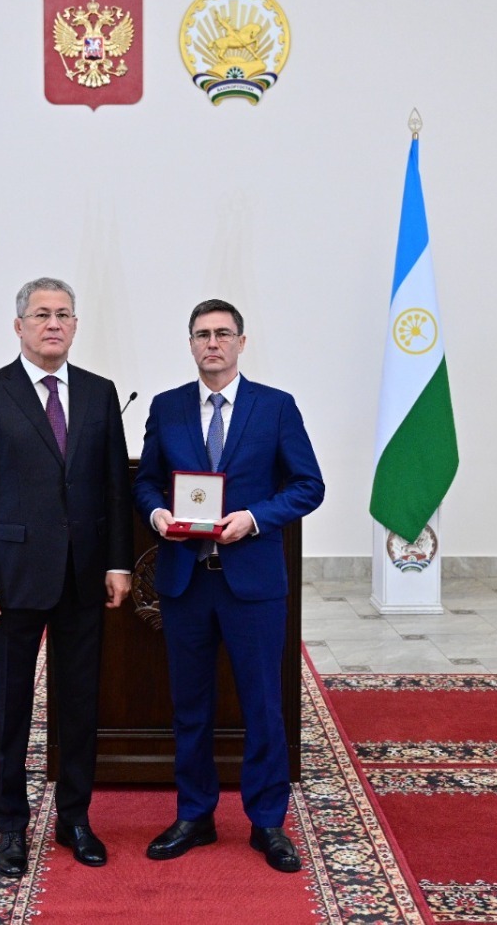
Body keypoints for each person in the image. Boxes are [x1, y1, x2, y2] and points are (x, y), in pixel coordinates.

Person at [132, 298, 325, 873]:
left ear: (241, 342)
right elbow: (145, 482)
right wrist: (156, 514)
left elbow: (308, 485)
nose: (212, 343)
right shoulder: (167, 407)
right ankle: (195, 814)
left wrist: (256, 518)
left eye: (222, 333)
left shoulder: (276, 406)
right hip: (186, 581)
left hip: (253, 583)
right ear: (190, 344)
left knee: (263, 704)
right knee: (190, 706)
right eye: (202, 334)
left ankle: (267, 822)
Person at [0, 277, 133, 877]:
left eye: (63, 314)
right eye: (41, 314)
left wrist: (117, 561)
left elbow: (114, 485)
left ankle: (75, 819)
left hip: (84, 578)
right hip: (11, 578)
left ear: (75, 325)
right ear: (19, 326)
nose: (53, 324)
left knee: (80, 704)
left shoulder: (101, 393)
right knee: (9, 707)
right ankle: (10, 824)